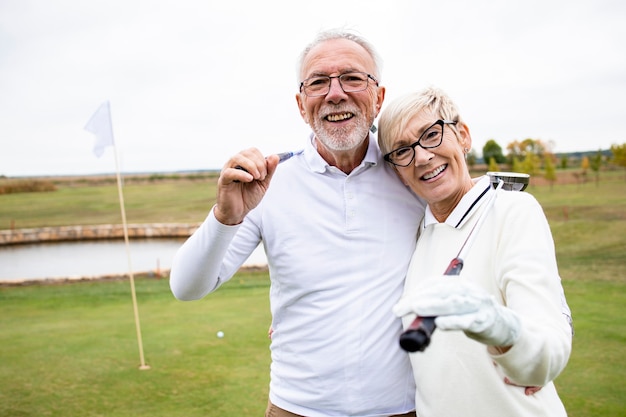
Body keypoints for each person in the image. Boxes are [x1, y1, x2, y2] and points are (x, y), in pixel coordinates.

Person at [169, 29, 424, 417]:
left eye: (352, 78)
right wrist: (224, 217)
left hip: (401, 409)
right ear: (301, 104)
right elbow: (186, 288)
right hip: (296, 409)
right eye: (318, 82)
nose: (335, 93)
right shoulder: (270, 181)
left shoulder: (412, 173)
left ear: (379, 98)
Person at [377, 86, 573, 417]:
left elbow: (546, 354)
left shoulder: (514, 211)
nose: (422, 156)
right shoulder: (412, 235)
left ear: (463, 135)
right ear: (397, 170)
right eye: (402, 151)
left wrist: (503, 330)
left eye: (431, 134)